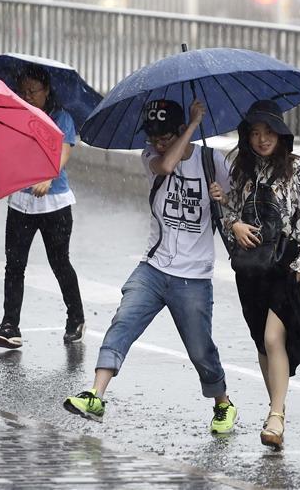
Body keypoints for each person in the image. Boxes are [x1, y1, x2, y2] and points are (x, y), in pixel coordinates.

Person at [63, 99, 238, 434]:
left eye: (164, 137)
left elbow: (240, 200)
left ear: (178, 131)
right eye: (153, 137)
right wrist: (192, 125)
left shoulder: (211, 161)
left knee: (200, 350)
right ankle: (96, 396)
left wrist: (223, 196)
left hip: (193, 277)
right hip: (153, 268)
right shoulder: (150, 157)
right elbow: (167, 166)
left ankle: (223, 404)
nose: (157, 143)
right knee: (123, 322)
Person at [216, 100, 300, 450]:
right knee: (262, 341)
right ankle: (277, 408)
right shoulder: (242, 171)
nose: (262, 140)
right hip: (250, 268)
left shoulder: (299, 169)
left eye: (268, 132)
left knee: (275, 337)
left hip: (286, 264)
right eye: (255, 133)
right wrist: (232, 220)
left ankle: (275, 415)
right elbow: (232, 217)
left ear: (281, 134)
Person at [0, 66, 86, 349]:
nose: (28, 96)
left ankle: (76, 318)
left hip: (55, 202)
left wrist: (49, 175)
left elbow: (64, 150)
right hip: (21, 201)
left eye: (33, 91)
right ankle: (10, 326)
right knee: (14, 265)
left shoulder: (61, 117)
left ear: (47, 90)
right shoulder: (16, 116)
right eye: (23, 91)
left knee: (59, 262)